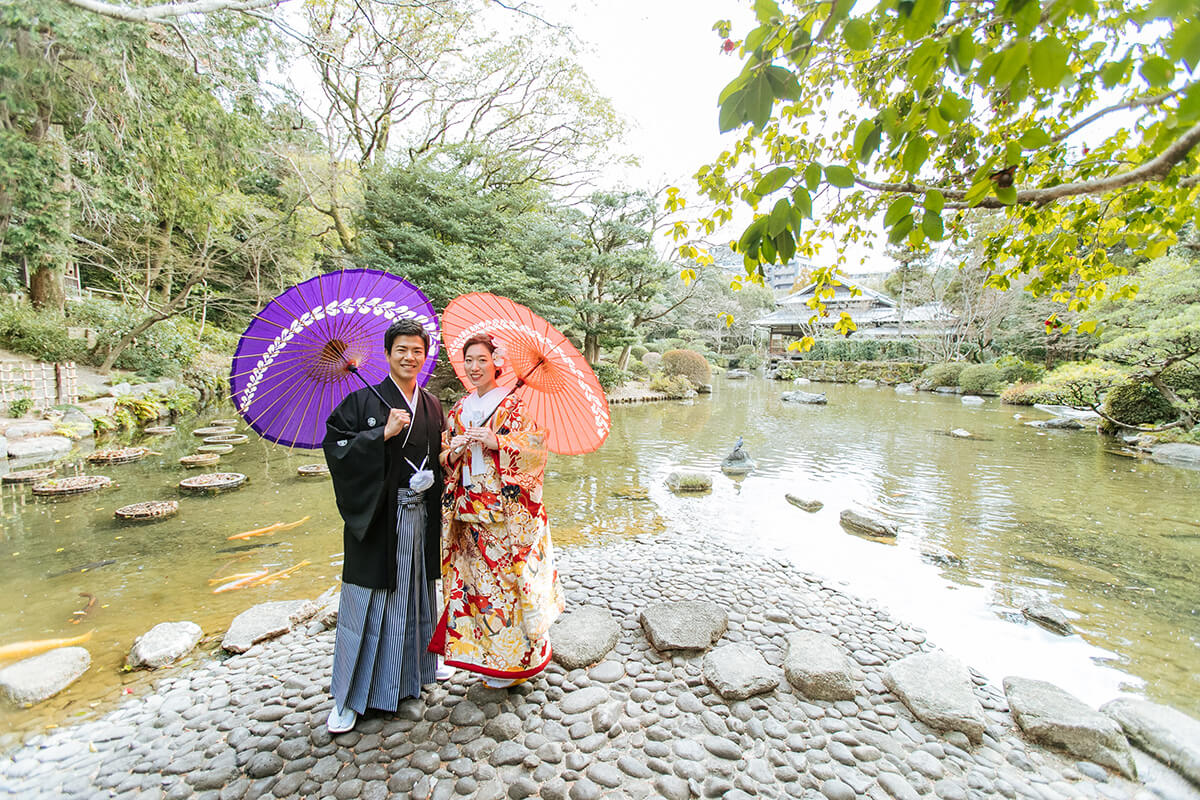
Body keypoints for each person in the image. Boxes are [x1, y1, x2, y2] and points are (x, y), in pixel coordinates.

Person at [321, 318, 446, 733]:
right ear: (388, 354)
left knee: (415, 594)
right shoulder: (361, 402)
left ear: (424, 357)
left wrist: (449, 459)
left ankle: (412, 674)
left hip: (420, 516)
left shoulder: (430, 403)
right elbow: (336, 449)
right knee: (369, 601)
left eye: (417, 351)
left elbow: (438, 453)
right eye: (401, 350)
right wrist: (381, 436)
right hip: (380, 518)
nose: (409, 358)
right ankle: (348, 697)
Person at [428, 333, 564, 687]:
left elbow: (536, 451)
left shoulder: (514, 405)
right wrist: (453, 452)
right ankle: (493, 659)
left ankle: (522, 661)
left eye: (481, 360)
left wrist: (498, 441)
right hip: (470, 514)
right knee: (482, 591)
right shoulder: (459, 409)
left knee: (512, 585)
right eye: (468, 360)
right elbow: (443, 456)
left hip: (507, 516)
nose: (474, 368)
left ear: (496, 362)